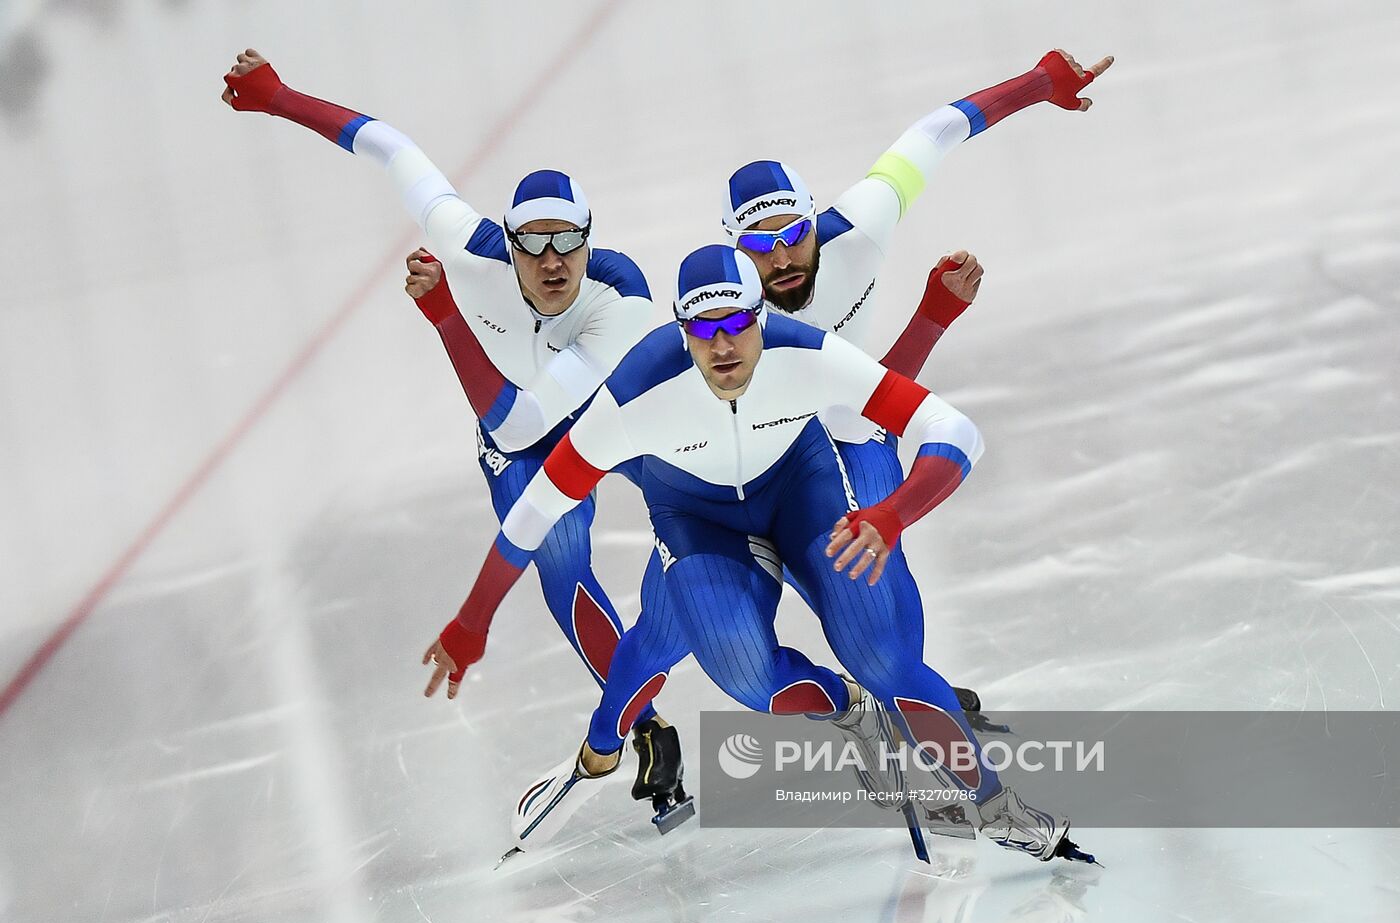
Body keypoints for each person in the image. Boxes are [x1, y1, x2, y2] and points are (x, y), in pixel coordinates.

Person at [424, 246, 1093, 865]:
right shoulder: (631, 398)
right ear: (681, 331)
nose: (722, 346)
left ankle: (996, 805)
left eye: (738, 323)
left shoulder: (809, 353)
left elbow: (956, 432)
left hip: (800, 491)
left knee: (885, 654)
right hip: (697, 522)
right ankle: (843, 706)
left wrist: (891, 514)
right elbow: (532, 516)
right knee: (738, 673)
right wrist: (472, 621)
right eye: (703, 329)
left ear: (763, 318)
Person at [220, 49, 682, 801]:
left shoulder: (620, 296)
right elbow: (389, 146)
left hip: (600, 418)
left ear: (591, 240)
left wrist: (443, 319)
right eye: (532, 243)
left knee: (714, 507)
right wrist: (279, 98)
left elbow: (529, 413)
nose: (551, 260)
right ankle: (649, 726)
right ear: (507, 241)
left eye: (568, 240)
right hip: (523, 447)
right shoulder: (474, 252)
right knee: (562, 573)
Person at [719, 48, 1113, 719]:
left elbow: (934, 133)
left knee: (878, 591)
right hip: (767, 457)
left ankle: (904, 687)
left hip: (853, 428)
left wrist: (1042, 80)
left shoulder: (862, 226)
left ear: (816, 220)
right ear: (733, 249)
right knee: (796, 609)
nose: (781, 259)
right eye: (758, 247)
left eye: (792, 235)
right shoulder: (721, 315)